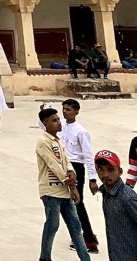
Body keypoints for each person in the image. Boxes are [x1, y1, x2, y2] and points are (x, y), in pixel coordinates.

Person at [36, 107, 92, 261]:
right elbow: (53, 165)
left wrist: (72, 172)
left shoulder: (58, 141)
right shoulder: (43, 142)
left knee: (75, 227)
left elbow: (65, 161)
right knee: (52, 225)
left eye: (58, 119)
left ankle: (85, 258)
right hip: (51, 191)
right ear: (45, 123)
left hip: (64, 191)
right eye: (54, 120)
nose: (59, 123)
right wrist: (72, 185)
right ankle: (44, 257)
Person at [94, 148, 137, 260]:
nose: (105, 174)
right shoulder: (107, 193)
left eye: (110, 170)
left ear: (120, 171)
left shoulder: (127, 198)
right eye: (101, 169)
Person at [60, 99, 100, 254]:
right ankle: (79, 235)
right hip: (63, 166)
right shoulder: (61, 125)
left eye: (68, 109)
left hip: (76, 168)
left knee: (77, 203)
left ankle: (87, 238)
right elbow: (44, 125)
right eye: (63, 109)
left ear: (76, 112)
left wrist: (92, 179)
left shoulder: (81, 131)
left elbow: (88, 156)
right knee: (67, 203)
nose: (65, 112)